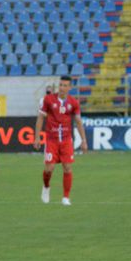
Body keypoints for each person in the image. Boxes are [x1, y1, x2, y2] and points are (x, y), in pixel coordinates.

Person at [33, 74, 87, 206]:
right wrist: (37, 137)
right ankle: (46, 187)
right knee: (49, 168)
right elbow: (40, 118)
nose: (62, 88)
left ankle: (66, 197)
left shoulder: (73, 103)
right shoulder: (48, 100)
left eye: (65, 85)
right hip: (52, 140)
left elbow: (78, 122)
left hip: (66, 140)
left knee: (67, 167)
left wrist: (84, 140)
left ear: (70, 87)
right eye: (60, 85)